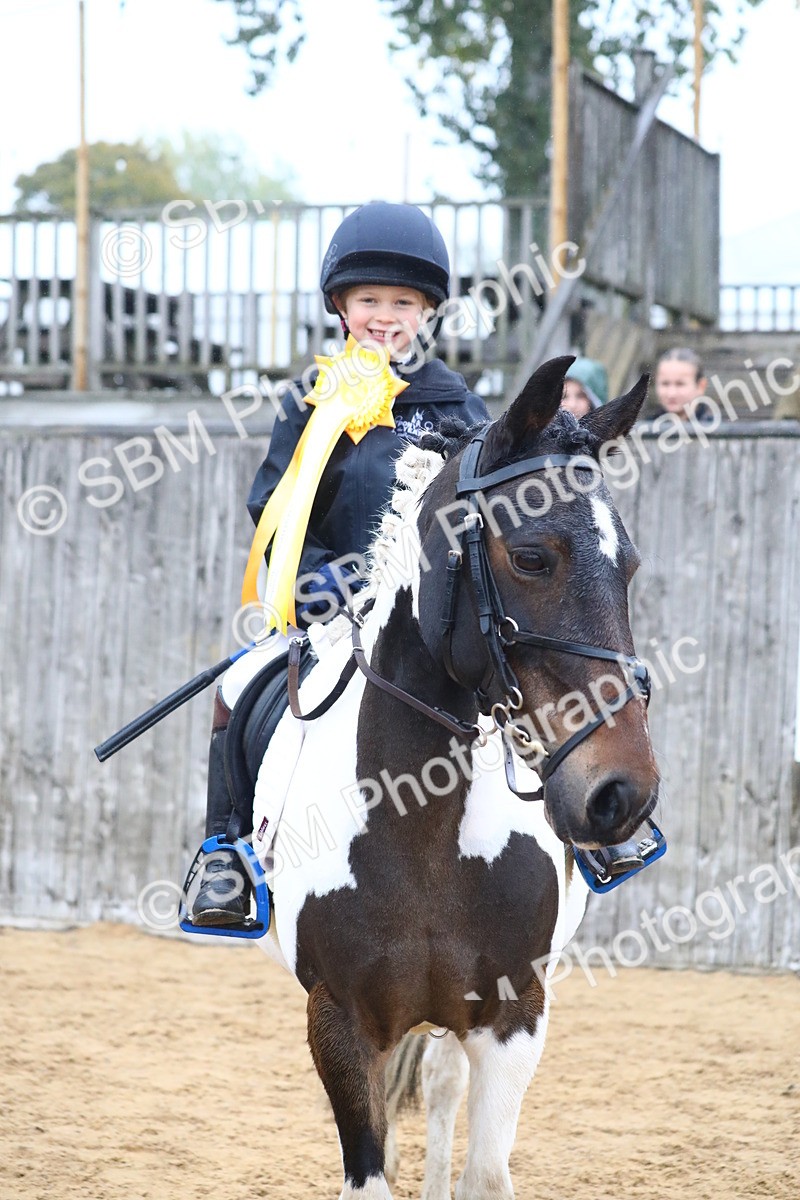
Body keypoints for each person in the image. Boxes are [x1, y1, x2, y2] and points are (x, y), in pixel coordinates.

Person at [188, 202, 490, 927]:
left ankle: (591, 833)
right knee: (238, 684)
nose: (385, 316)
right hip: (331, 607)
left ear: (427, 311)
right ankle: (227, 855)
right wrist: (324, 580)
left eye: (402, 302)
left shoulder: (458, 406)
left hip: (435, 612)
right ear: (342, 307)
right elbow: (275, 504)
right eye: (369, 300)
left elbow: (484, 511)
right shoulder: (309, 401)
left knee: (527, 676)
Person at [651, 346, 714, 424]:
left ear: (701, 386)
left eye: (680, 384)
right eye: (665, 384)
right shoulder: (643, 428)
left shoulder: (719, 428)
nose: (671, 394)